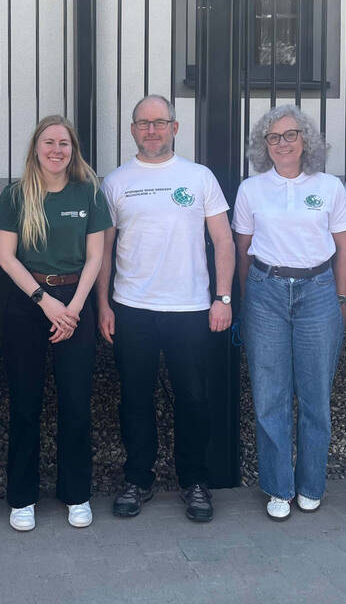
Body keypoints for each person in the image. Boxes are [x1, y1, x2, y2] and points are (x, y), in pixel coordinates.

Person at [97, 94, 235, 523]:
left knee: (193, 398)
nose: (151, 130)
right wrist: (103, 303)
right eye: (143, 123)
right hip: (132, 308)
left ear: (175, 128)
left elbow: (224, 242)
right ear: (133, 129)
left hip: (191, 308)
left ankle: (194, 480)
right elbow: (103, 250)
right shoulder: (116, 181)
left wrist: (223, 297)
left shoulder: (199, 177)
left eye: (160, 122)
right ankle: (138, 478)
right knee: (135, 399)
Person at [232, 104, 346, 521]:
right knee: (270, 396)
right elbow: (242, 252)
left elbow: (344, 246)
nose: (282, 143)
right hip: (266, 292)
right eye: (273, 137)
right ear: (263, 146)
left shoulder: (330, 187)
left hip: (318, 292)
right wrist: (248, 302)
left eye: (290, 135)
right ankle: (278, 486)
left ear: (306, 140)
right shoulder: (251, 189)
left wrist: (340, 297)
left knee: (316, 395)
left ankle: (311, 484)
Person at [0, 115, 112, 532]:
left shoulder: (90, 193)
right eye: (49, 142)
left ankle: (76, 494)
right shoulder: (14, 196)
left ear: (73, 150)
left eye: (64, 143)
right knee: (25, 404)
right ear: (36, 148)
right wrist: (45, 303)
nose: (57, 150)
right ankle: (22, 498)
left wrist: (75, 309)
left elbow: (95, 257)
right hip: (30, 302)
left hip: (74, 303)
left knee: (76, 404)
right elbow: (6, 257)